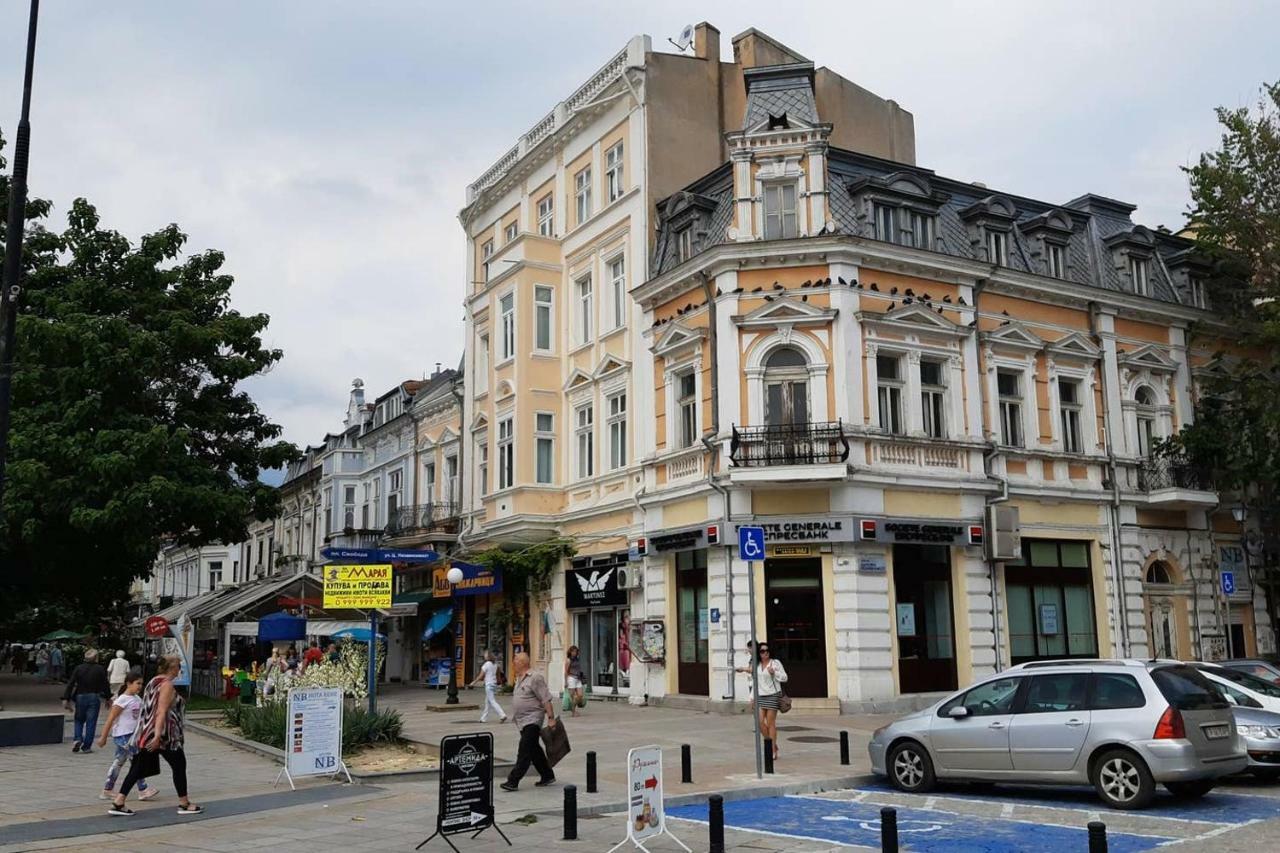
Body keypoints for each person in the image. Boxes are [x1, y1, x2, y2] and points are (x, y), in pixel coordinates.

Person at [109, 655, 202, 816]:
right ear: (172, 669)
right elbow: (161, 711)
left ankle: (119, 802)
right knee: (179, 766)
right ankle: (184, 803)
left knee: (137, 768)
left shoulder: (153, 682)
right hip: (165, 736)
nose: (180, 669)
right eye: (178, 666)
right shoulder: (166, 685)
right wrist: (158, 735)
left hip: (146, 732)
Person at [499, 652, 558, 792]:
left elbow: (546, 698)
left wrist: (551, 718)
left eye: (516, 660)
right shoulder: (519, 678)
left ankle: (513, 781)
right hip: (521, 720)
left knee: (524, 749)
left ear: (523, 663)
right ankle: (547, 775)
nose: (513, 662)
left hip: (533, 719)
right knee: (533, 749)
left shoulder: (535, 677)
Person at [97, 671, 157, 802]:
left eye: (141, 683)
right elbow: (111, 718)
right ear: (128, 683)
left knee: (119, 761)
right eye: (137, 683)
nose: (140, 686)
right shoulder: (122, 700)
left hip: (133, 735)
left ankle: (107, 789)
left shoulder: (137, 698)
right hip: (124, 735)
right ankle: (143, 789)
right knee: (137, 762)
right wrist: (103, 737)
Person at [735, 642, 787, 761]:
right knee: (759, 723)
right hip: (760, 696)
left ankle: (772, 749)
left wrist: (775, 673)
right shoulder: (756, 664)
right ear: (759, 653)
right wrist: (752, 697)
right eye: (763, 651)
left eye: (767, 651)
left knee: (770, 724)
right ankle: (772, 743)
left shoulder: (775, 663)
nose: (765, 653)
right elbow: (755, 682)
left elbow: (785, 677)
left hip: (773, 695)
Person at [63, 649, 111, 753]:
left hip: (80, 696)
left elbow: (71, 683)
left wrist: (66, 698)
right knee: (91, 722)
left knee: (78, 720)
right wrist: (108, 698)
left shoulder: (78, 668)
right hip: (94, 696)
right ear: (96, 658)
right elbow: (105, 684)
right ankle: (86, 746)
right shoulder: (100, 669)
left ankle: (77, 738)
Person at [469, 650, 507, 724]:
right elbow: (498, 676)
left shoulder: (486, 664)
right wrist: (500, 683)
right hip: (494, 684)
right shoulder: (495, 665)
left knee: (492, 701)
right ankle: (483, 718)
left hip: (489, 685)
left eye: (485, 654)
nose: (484, 655)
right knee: (487, 702)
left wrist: (473, 682)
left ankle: (502, 715)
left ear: (488, 656)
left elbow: (481, 676)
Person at [563, 645, 585, 717]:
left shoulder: (577, 659)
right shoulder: (568, 660)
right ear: (570, 652)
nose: (574, 653)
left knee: (580, 695)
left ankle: (573, 708)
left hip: (578, 679)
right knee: (572, 697)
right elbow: (566, 671)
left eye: (576, 651)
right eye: (573, 651)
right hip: (571, 678)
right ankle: (573, 712)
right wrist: (566, 682)